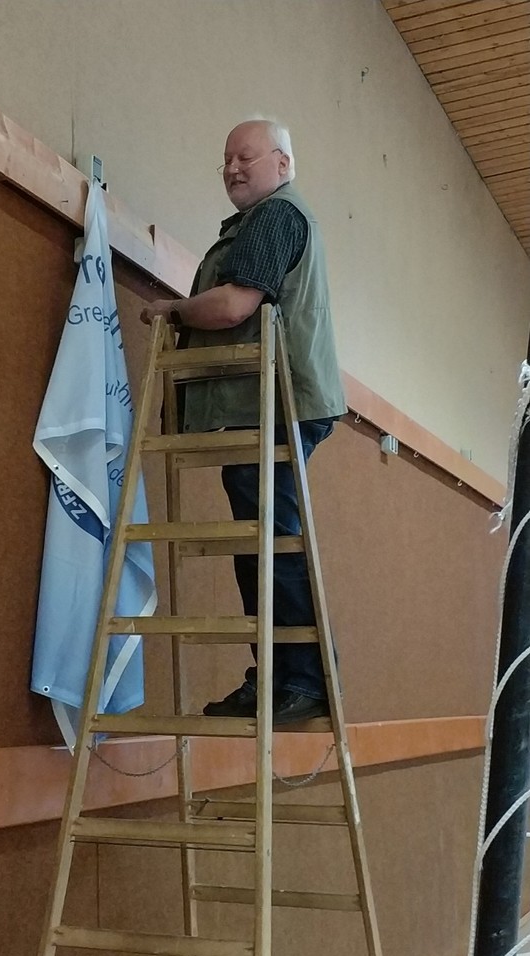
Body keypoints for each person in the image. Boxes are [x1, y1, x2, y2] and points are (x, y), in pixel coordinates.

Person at [140, 117, 347, 725]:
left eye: (245, 157)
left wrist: (173, 309)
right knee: (263, 537)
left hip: (279, 404)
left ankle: (300, 679)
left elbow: (234, 305)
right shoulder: (268, 218)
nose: (232, 168)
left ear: (282, 163)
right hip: (275, 404)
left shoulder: (275, 215)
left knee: (269, 537)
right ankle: (280, 677)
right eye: (226, 159)